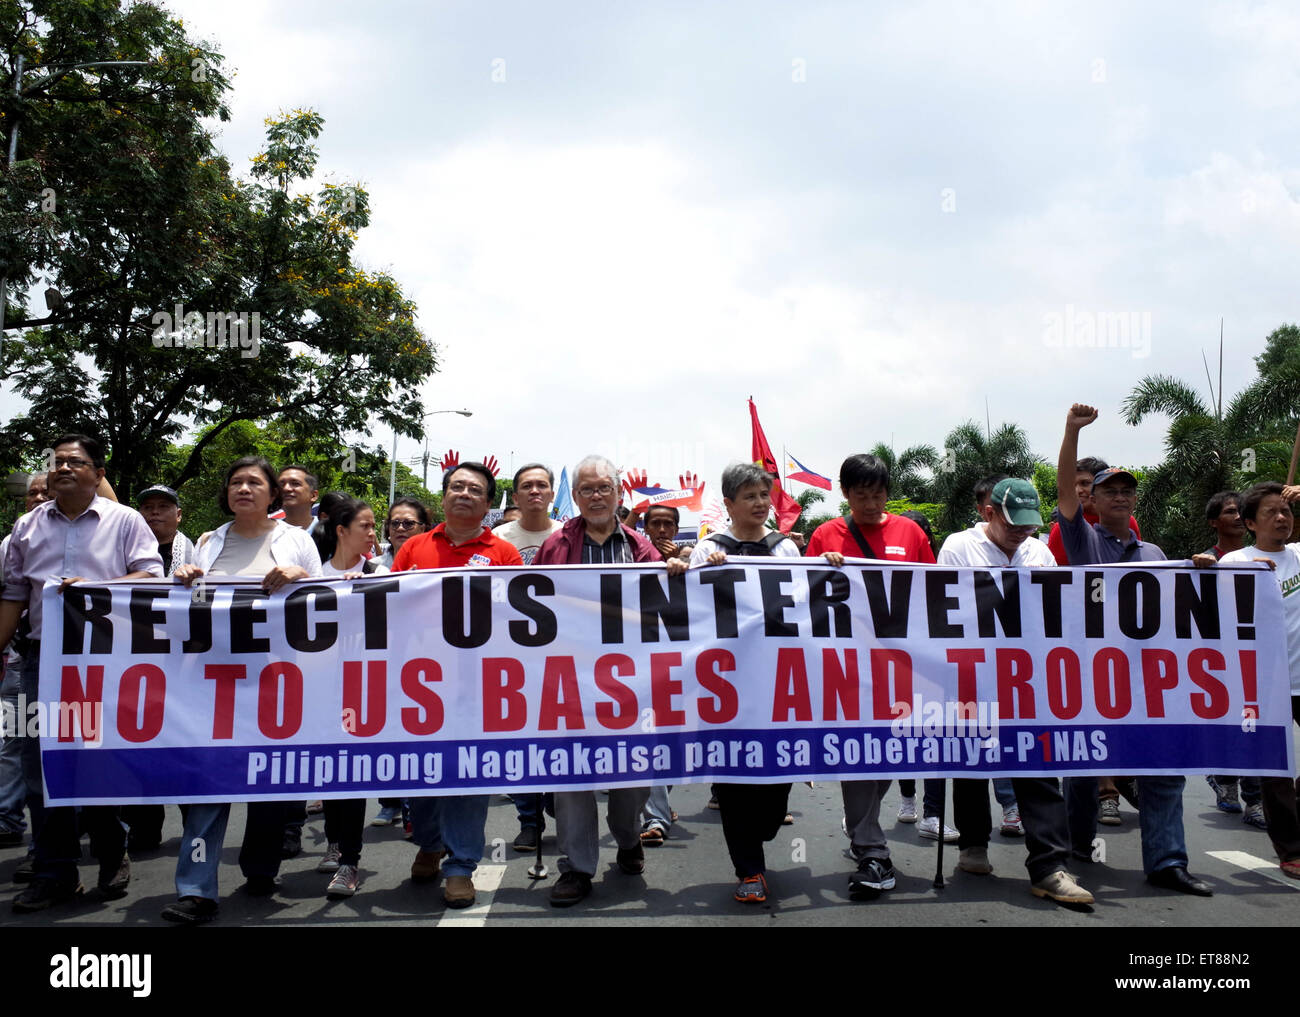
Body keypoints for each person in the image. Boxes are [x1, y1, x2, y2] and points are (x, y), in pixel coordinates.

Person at [0, 436, 163, 912]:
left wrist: (95, 589)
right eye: (57, 462)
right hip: (37, 661)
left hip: (103, 663)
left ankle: (112, 853)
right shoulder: (26, 526)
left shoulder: (125, 521)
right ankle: (55, 872)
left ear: (97, 472)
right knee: (38, 769)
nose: (64, 468)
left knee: (97, 763)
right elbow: (12, 595)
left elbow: (151, 577)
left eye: (76, 461)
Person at [1055, 403, 1212, 896]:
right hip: (1091, 676)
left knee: (1162, 769)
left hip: (1147, 679)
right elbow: (1064, 491)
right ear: (1093, 501)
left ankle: (1168, 863)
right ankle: (1076, 848)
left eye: (1127, 491)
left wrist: (1207, 571)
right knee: (1082, 773)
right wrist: (1071, 432)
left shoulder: (1157, 557)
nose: (1120, 497)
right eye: (1109, 491)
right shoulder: (1083, 543)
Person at [161, 456, 323, 924]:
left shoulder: (296, 542)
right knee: (206, 788)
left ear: (273, 494)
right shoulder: (209, 542)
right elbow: (186, 609)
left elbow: (332, 599)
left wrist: (302, 577)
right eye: (236, 482)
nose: (244, 489)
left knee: (269, 785)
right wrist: (186, 582)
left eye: (255, 482)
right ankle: (195, 889)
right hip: (212, 684)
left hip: (277, 681)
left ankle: (260, 869)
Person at [534, 454, 686, 907]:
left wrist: (676, 574)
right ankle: (577, 870)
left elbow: (668, 610)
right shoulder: (556, 546)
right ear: (575, 497)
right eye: (587, 489)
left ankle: (627, 839)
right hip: (571, 682)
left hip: (630, 685)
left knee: (631, 784)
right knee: (573, 780)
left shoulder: (642, 548)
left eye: (604, 488)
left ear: (619, 494)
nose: (596, 495)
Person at [936, 478, 1093, 904]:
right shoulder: (958, 547)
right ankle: (973, 843)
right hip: (973, 673)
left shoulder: (1039, 552)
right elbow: (943, 610)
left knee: (1038, 765)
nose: (1021, 531)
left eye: (1028, 523)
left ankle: (1049, 866)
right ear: (989, 513)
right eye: (1012, 523)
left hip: (1029, 678)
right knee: (972, 763)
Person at [392, 461, 523, 909]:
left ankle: (460, 865)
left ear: (488, 504)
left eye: (474, 489)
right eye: (456, 487)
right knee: (423, 774)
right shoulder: (412, 548)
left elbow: (516, 619)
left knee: (469, 772)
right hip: (420, 683)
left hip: (478, 682)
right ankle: (429, 843)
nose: (464, 493)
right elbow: (389, 610)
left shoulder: (505, 555)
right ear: (443, 496)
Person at [806, 453, 935, 900]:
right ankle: (871, 848)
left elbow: (933, 595)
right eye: (861, 494)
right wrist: (822, 568)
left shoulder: (911, 533)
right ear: (845, 493)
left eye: (878, 493)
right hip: (849, 669)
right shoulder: (826, 535)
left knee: (891, 756)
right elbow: (803, 597)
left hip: (902, 668)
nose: (871, 502)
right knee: (860, 754)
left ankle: (862, 820)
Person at [690, 463, 801, 903]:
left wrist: (830, 568)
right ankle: (749, 870)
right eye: (750, 496)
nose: (759, 503)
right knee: (735, 780)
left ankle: (763, 832)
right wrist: (696, 571)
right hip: (726, 683)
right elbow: (689, 610)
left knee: (775, 788)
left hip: (776, 681)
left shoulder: (787, 550)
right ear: (729, 504)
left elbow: (805, 606)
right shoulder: (709, 550)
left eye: (764, 495)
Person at [1211, 482, 1300, 877]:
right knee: (1275, 772)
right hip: (1263, 684)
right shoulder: (1235, 561)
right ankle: (1291, 849)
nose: (1281, 518)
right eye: (1270, 513)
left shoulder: (1299, 555)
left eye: (1287, 512)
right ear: (1250, 523)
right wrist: (1201, 566)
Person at [314, 496, 389, 897]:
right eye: (365, 526)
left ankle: (349, 862)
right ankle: (334, 840)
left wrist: (374, 593)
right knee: (327, 771)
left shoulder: (380, 571)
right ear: (341, 531)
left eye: (375, 526)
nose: (373, 534)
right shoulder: (311, 575)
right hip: (315, 688)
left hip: (361, 687)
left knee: (353, 771)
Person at [1199, 491, 1265, 826]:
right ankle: (1225, 778)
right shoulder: (1205, 561)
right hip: (1220, 659)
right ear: (1214, 522)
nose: (1238, 516)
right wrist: (1201, 572)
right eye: (1229, 512)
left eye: (1242, 511)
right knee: (1231, 723)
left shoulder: (1264, 559)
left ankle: (1254, 799)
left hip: (1257, 657)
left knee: (1252, 725)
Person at [0, 474, 50, 854]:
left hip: (70, 662)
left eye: (43, 492)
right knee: (17, 742)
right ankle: (11, 820)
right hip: (20, 659)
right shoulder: (14, 540)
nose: (36, 497)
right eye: (31, 492)